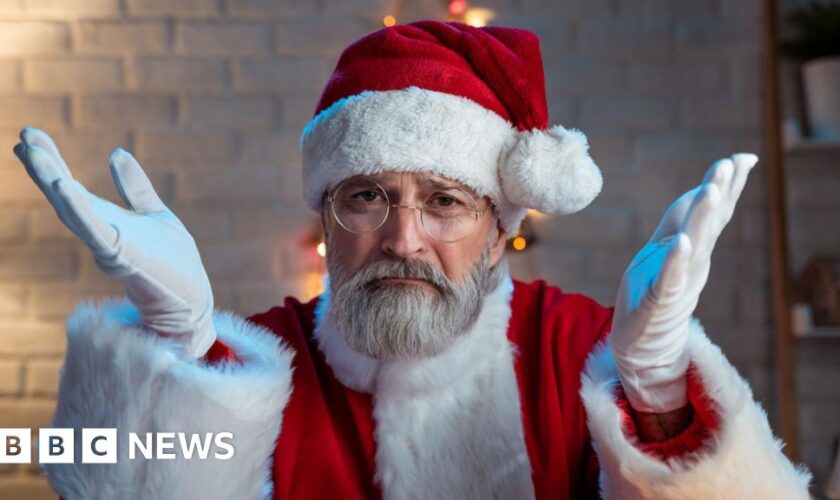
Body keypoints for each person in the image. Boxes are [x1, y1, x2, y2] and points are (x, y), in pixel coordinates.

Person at [13, 20, 810, 499]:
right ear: (325, 217)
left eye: (444, 201)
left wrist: (663, 387)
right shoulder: (247, 359)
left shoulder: (593, 355)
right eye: (365, 197)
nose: (401, 239)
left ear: (500, 229)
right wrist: (171, 354)